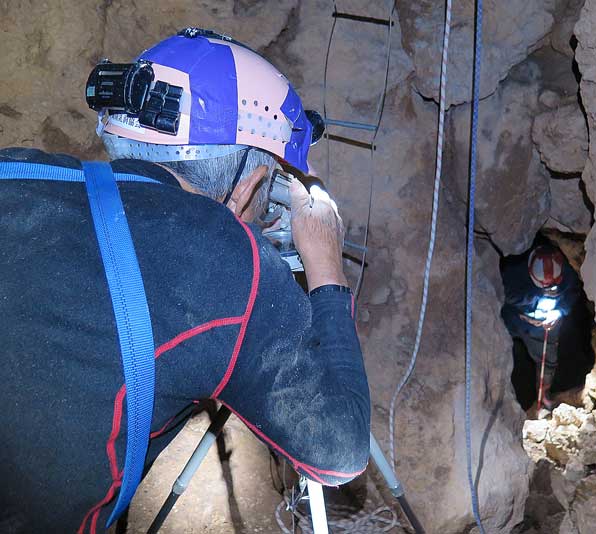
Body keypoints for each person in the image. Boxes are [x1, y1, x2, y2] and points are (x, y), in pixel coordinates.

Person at [0, 29, 370, 533]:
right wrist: (325, 264)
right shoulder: (226, 264)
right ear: (249, 185)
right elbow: (339, 452)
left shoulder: (15, 172)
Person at [501, 243, 585, 417]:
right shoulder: (514, 270)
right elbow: (504, 293)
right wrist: (535, 299)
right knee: (497, 352)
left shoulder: (566, 271)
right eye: (543, 286)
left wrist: (559, 311)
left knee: (547, 361)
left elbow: (573, 291)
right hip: (513, 319)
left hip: (542, 328)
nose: (549, 289)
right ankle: (498, 397)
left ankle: (544, 397)